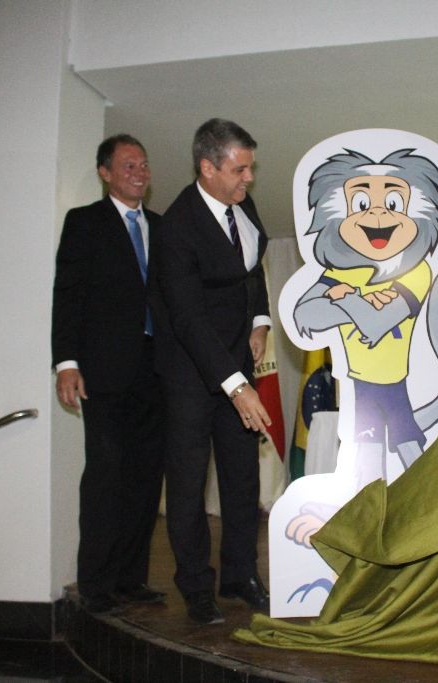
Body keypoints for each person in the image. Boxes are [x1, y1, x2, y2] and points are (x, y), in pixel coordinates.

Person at [149, 118, 272, 625]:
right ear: (207, 167)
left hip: (236, 358)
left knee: (243, 477)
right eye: (239, 170)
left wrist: (259, 322)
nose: (249, 179)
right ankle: (196, 587)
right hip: (189, 373)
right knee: (188, 485)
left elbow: (251, 271)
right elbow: (188, 320)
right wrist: (238, 387)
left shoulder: (243, 205)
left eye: (250, 168)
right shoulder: (176, 228)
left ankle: (240, 575)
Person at [51, 134, 166, 615]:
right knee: (105, 476)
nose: (139, 172)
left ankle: (130, 579)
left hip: (157, 372)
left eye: (143, 164)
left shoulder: (162, 227)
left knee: (145, 478)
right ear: (105, 173)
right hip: (104, 371)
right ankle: (96, 584)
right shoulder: (84, 223)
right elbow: (68, 295)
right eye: (127, 165)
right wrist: (66, 363)